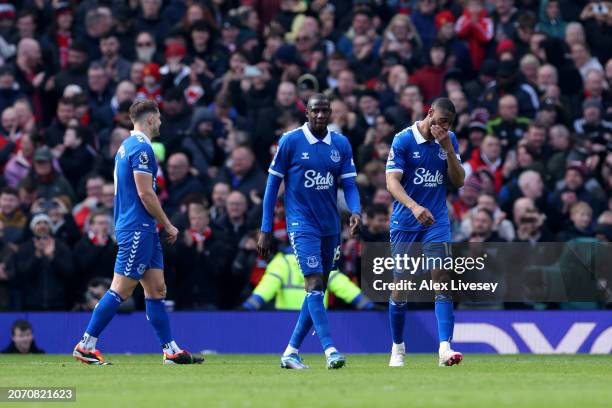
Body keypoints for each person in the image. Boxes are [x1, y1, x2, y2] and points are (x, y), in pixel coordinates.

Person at [72, 100, 203, 365]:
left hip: (142, 228)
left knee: (157, 289)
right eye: (159, 118)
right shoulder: (142, 148)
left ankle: (171, 350)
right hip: (137, 228)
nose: (162, 123)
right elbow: (145, 193)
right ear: (151, 119)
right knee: (121, 289)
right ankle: (86, 345)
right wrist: (167, 223)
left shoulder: (126, 146)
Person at [257, 93, 361, 369]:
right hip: (301, 223)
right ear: (307, 113)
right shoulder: (291, 141)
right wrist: (266, 228)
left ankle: (290, 352)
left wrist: (356, 210)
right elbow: (271, 186)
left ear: (331, 114)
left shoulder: (340, 144)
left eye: (324, 111)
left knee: (318, 289)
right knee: (314, 283)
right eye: (315, 111)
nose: (319, 115)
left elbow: (349, 184)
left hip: (330, 226)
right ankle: (330, 350)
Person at [385, 98, 465, 367]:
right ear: (429, 114)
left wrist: (449, 150)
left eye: (449, 123)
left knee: (442, 279)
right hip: (406, 222)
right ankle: (397, 347)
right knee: (401, 287)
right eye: (442, 121)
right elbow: (391, 182)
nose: (445, 127)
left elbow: (460, 180)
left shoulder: (449, 140)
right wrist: (413, 205)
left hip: (436, 222)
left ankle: (445, 349)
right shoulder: (403, 140)